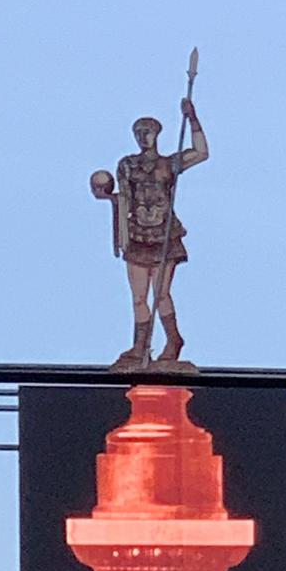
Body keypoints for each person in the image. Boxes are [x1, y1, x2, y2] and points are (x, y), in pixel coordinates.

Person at [91, 99, 208, 369]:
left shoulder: (168, 164)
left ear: (157, 134)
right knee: (139, 296)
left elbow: (201, 153)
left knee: (162, 294)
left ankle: (173, 340)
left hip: (163, 234)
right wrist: (107, 196)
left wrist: (192, 119)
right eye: (139, 133)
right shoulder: (127, 165)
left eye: (148, 131)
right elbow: (124, 197)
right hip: (137, 236)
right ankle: (141, 346)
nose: (144, 137)